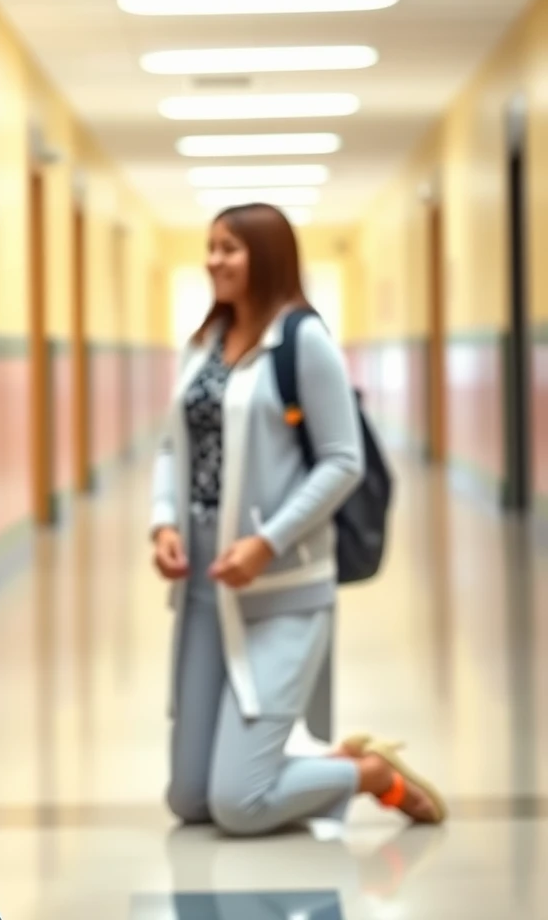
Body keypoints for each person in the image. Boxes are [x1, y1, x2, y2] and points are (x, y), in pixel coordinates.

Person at [151, 203, 446, 836]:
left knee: (239, 804)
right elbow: (173, 445)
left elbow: (343, 461)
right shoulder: (203, 345)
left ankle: (369, 773)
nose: (214, 261)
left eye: (229, 248)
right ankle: (312, 766)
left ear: (268, 256)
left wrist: (267, 541)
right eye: (210, 247)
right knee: (190, 798)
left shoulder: (303, 341)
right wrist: (164, 521)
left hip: (283, 585)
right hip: (205, 581)